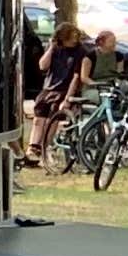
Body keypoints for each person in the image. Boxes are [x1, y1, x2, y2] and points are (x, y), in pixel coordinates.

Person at [25, 21, 94, 162]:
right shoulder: (56, 49)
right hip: (49, 87)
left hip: (65, 89)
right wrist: (51, 48)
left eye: (76, 36)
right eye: (71, 36)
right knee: (39, 119)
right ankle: (33, 147)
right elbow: (42, 66)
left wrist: (68, 98)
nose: (74, 39)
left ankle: (45, 147)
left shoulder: (80, 52)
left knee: (53, 119)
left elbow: (76, 78)